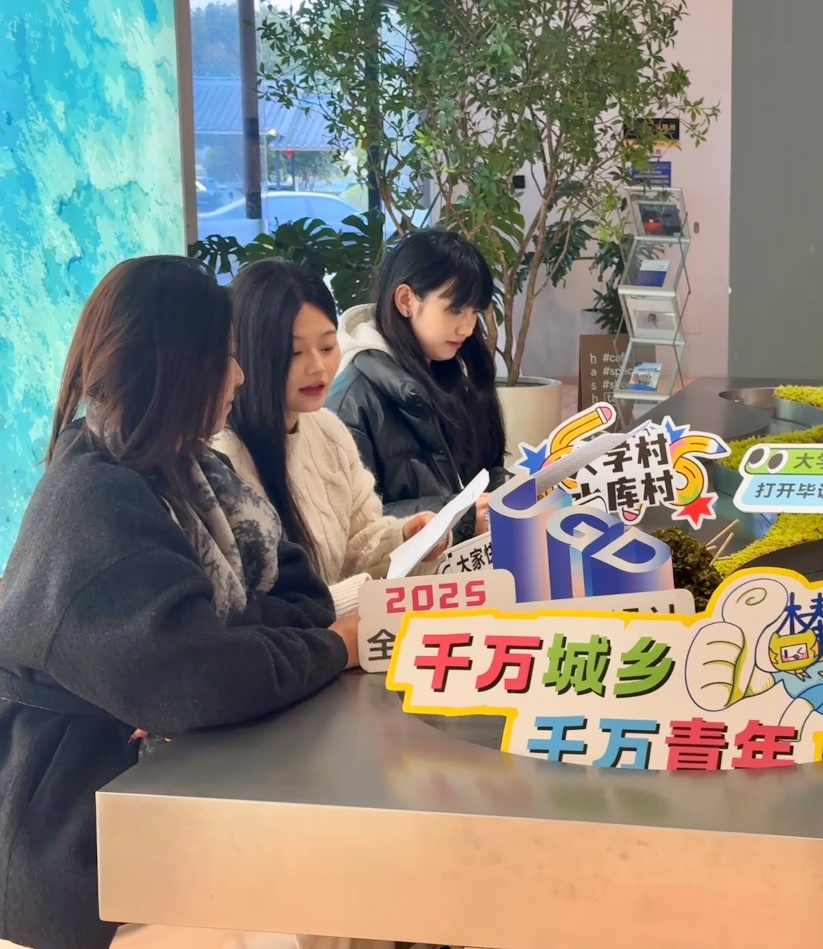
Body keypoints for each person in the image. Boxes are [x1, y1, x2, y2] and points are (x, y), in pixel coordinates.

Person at [0, 257, 356, 949]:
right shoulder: (90, 503)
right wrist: (334, 648)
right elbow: (202, 681)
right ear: (177, 367)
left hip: (176, 799)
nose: (241, 376)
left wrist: (215, 649)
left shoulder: (198, 469)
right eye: (227, 358)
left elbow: (301, 596)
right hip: (83, 857)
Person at [213, 260, 446, 618]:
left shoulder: (328, 431)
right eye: (294, 352)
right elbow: (254, 612)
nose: (318, 368)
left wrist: (407, 538)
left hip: (345, 633)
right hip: (301, 644)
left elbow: (359, 541)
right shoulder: (221, 457)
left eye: (326, 347)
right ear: (247, 353)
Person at [327, 229, 509, 544]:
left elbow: (484, 472)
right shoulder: (352, 400)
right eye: (455, 310)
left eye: (474, 312)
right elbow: (355, 530)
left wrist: (513, 491)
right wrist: (462, 517)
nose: (467, 328)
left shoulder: (456, 375)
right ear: (406, 300)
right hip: (411, 574)